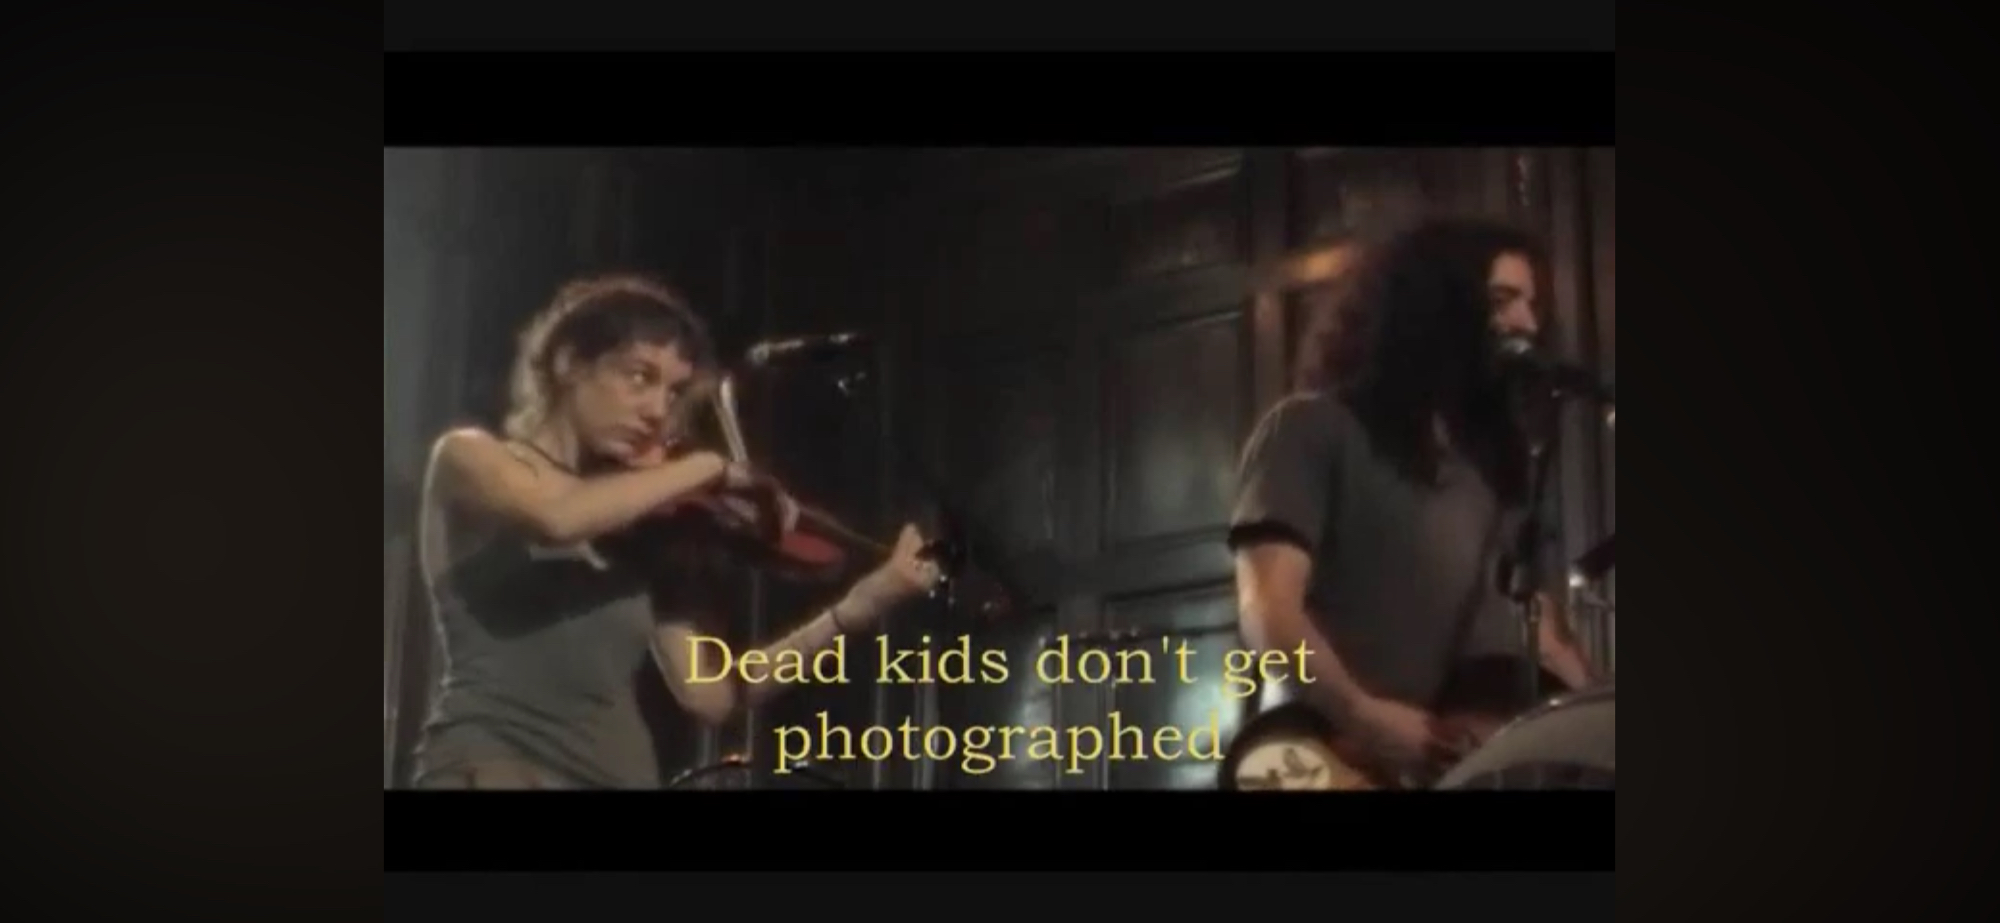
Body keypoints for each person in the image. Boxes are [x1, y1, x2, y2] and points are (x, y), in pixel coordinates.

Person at [411, 273, 939, 789]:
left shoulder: (641, 529)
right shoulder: (471, 459)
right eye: (640, 377)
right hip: (493, 766)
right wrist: (708, 466)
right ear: (569, 362)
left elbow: (712, 695)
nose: (658, 412)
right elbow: (559, 517)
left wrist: (857, 607)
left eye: (674, 392)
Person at [1227, 218, 1599, 783]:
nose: (1526, 324)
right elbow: (1269, 612)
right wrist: (1363, 715)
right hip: (1322, 754)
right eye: (1502, 301)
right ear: (1433, 306)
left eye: (1532, 306)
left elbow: (1544, 636)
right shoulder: (1309, 428)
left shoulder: (1498, 477)